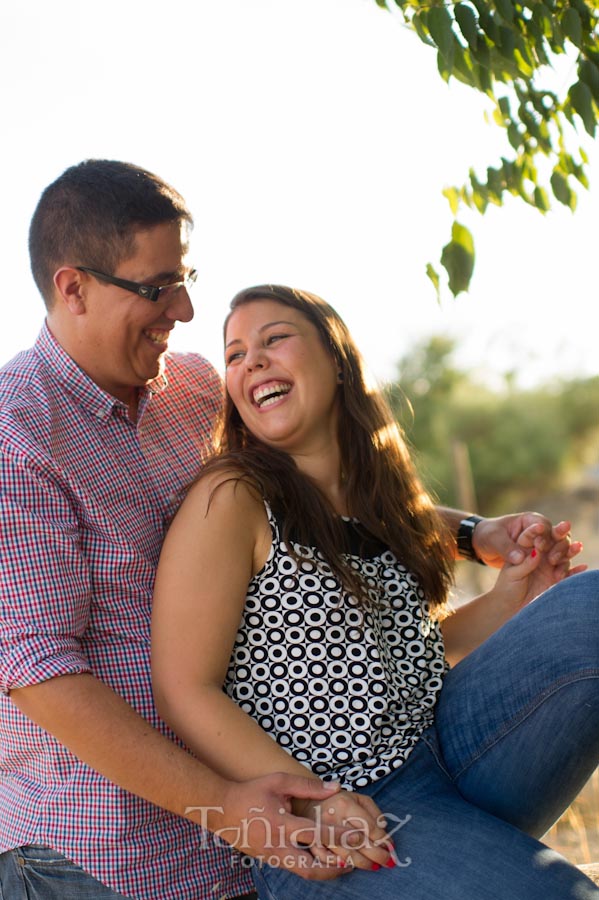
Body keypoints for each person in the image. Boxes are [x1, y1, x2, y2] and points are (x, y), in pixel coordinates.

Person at [0, 160, 580, 900]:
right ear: (71, 287)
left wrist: (471, 534)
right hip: (103, 856)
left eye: (185, 277)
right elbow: (41, 672)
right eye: (155, 286)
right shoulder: (16, 434)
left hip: (263, 821)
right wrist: (234, 812)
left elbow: (322, 504)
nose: (182, 309)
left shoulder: (195, 389)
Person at [151, 283, 599, 900]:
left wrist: (510, 594)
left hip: (445, 743)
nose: (250, 360)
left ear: (336, 360)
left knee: (590, 606)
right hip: (344, 812)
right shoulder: (234, 497)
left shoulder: (373, 499)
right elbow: (184, 690)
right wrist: (319, 800)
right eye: (234, 354)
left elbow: (408, 651)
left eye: (274, 338)